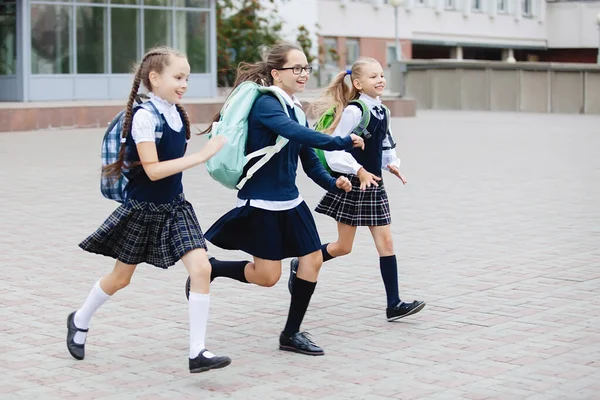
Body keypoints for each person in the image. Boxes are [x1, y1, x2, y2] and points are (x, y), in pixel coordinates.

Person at [185, 42, 364, 356]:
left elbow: (308, 160)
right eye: (296, 68)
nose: (303, 74)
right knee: (267, 277)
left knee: (312, 260)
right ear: (275, 73)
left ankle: (291, 334)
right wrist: (339, 141)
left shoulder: (294, 106)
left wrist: (334, 183)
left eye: (306, 68)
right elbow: (295, 134)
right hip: (263, 204)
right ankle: (212, 269)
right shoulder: (267, 105)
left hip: (291, 203)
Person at [66, 46, 231, 373]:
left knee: (201, 269)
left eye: (187, 78)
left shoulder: (176, 111)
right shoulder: (144, 117)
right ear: (154, 78)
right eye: (178, 77)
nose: (184, 84)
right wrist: (203, 155)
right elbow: (153, 170)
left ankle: (197, 351)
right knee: (120, 278)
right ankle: (79, 318)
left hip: (175, 207)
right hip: (142, 210)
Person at [288, 57, 426, 322]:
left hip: (374, 185)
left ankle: (394, 304)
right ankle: (301, 263)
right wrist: (358, 170)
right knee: (343, 246)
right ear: (359, 83)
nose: (381, 80)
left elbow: (385, 144)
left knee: (386, 242)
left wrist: (392, 164)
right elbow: (335, 149)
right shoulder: (355, 110)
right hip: (352, 185)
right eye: (373, 76)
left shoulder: (382, 110)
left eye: (382, 75)